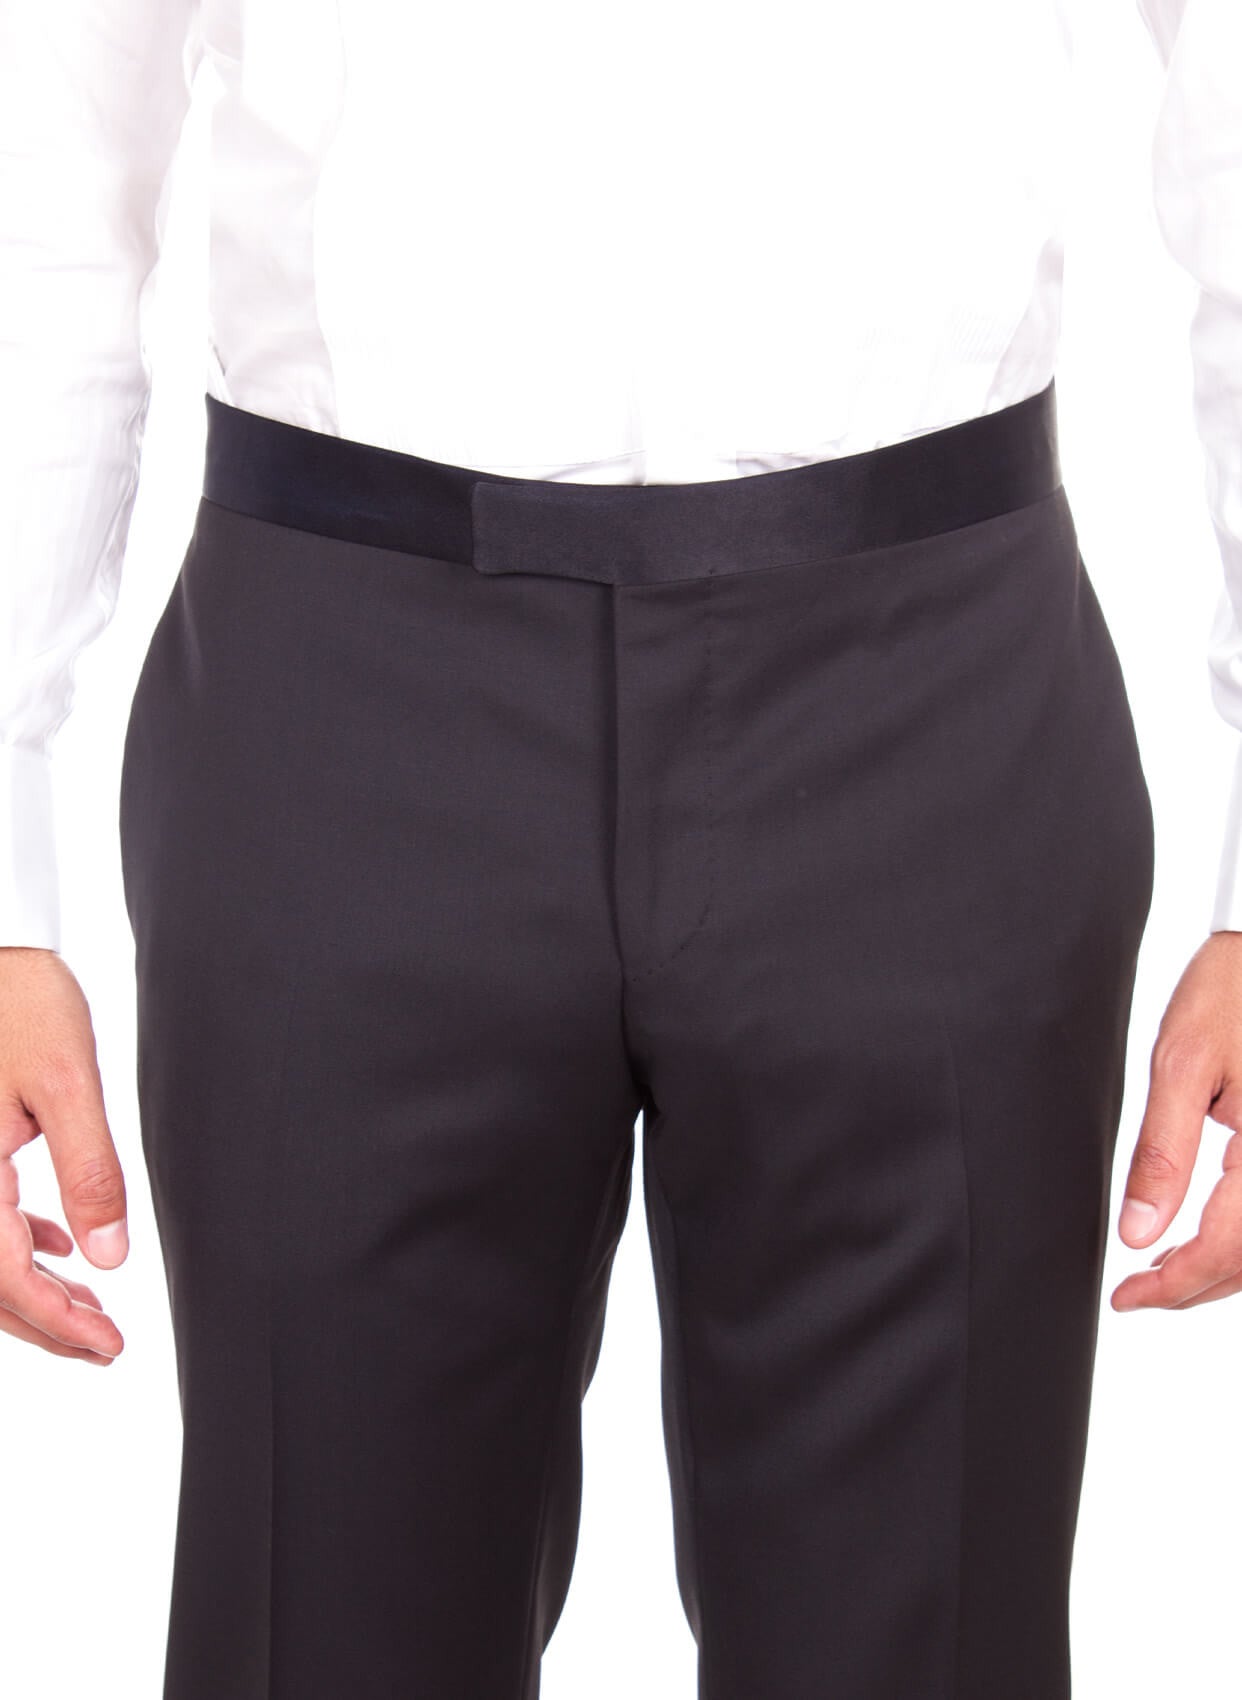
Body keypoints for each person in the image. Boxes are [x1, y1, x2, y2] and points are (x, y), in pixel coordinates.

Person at [0, 1, 1239, 1696]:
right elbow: (45, 183)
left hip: (926, 680)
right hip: (340, 686)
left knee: (930, 1639)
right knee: (318, 1627)